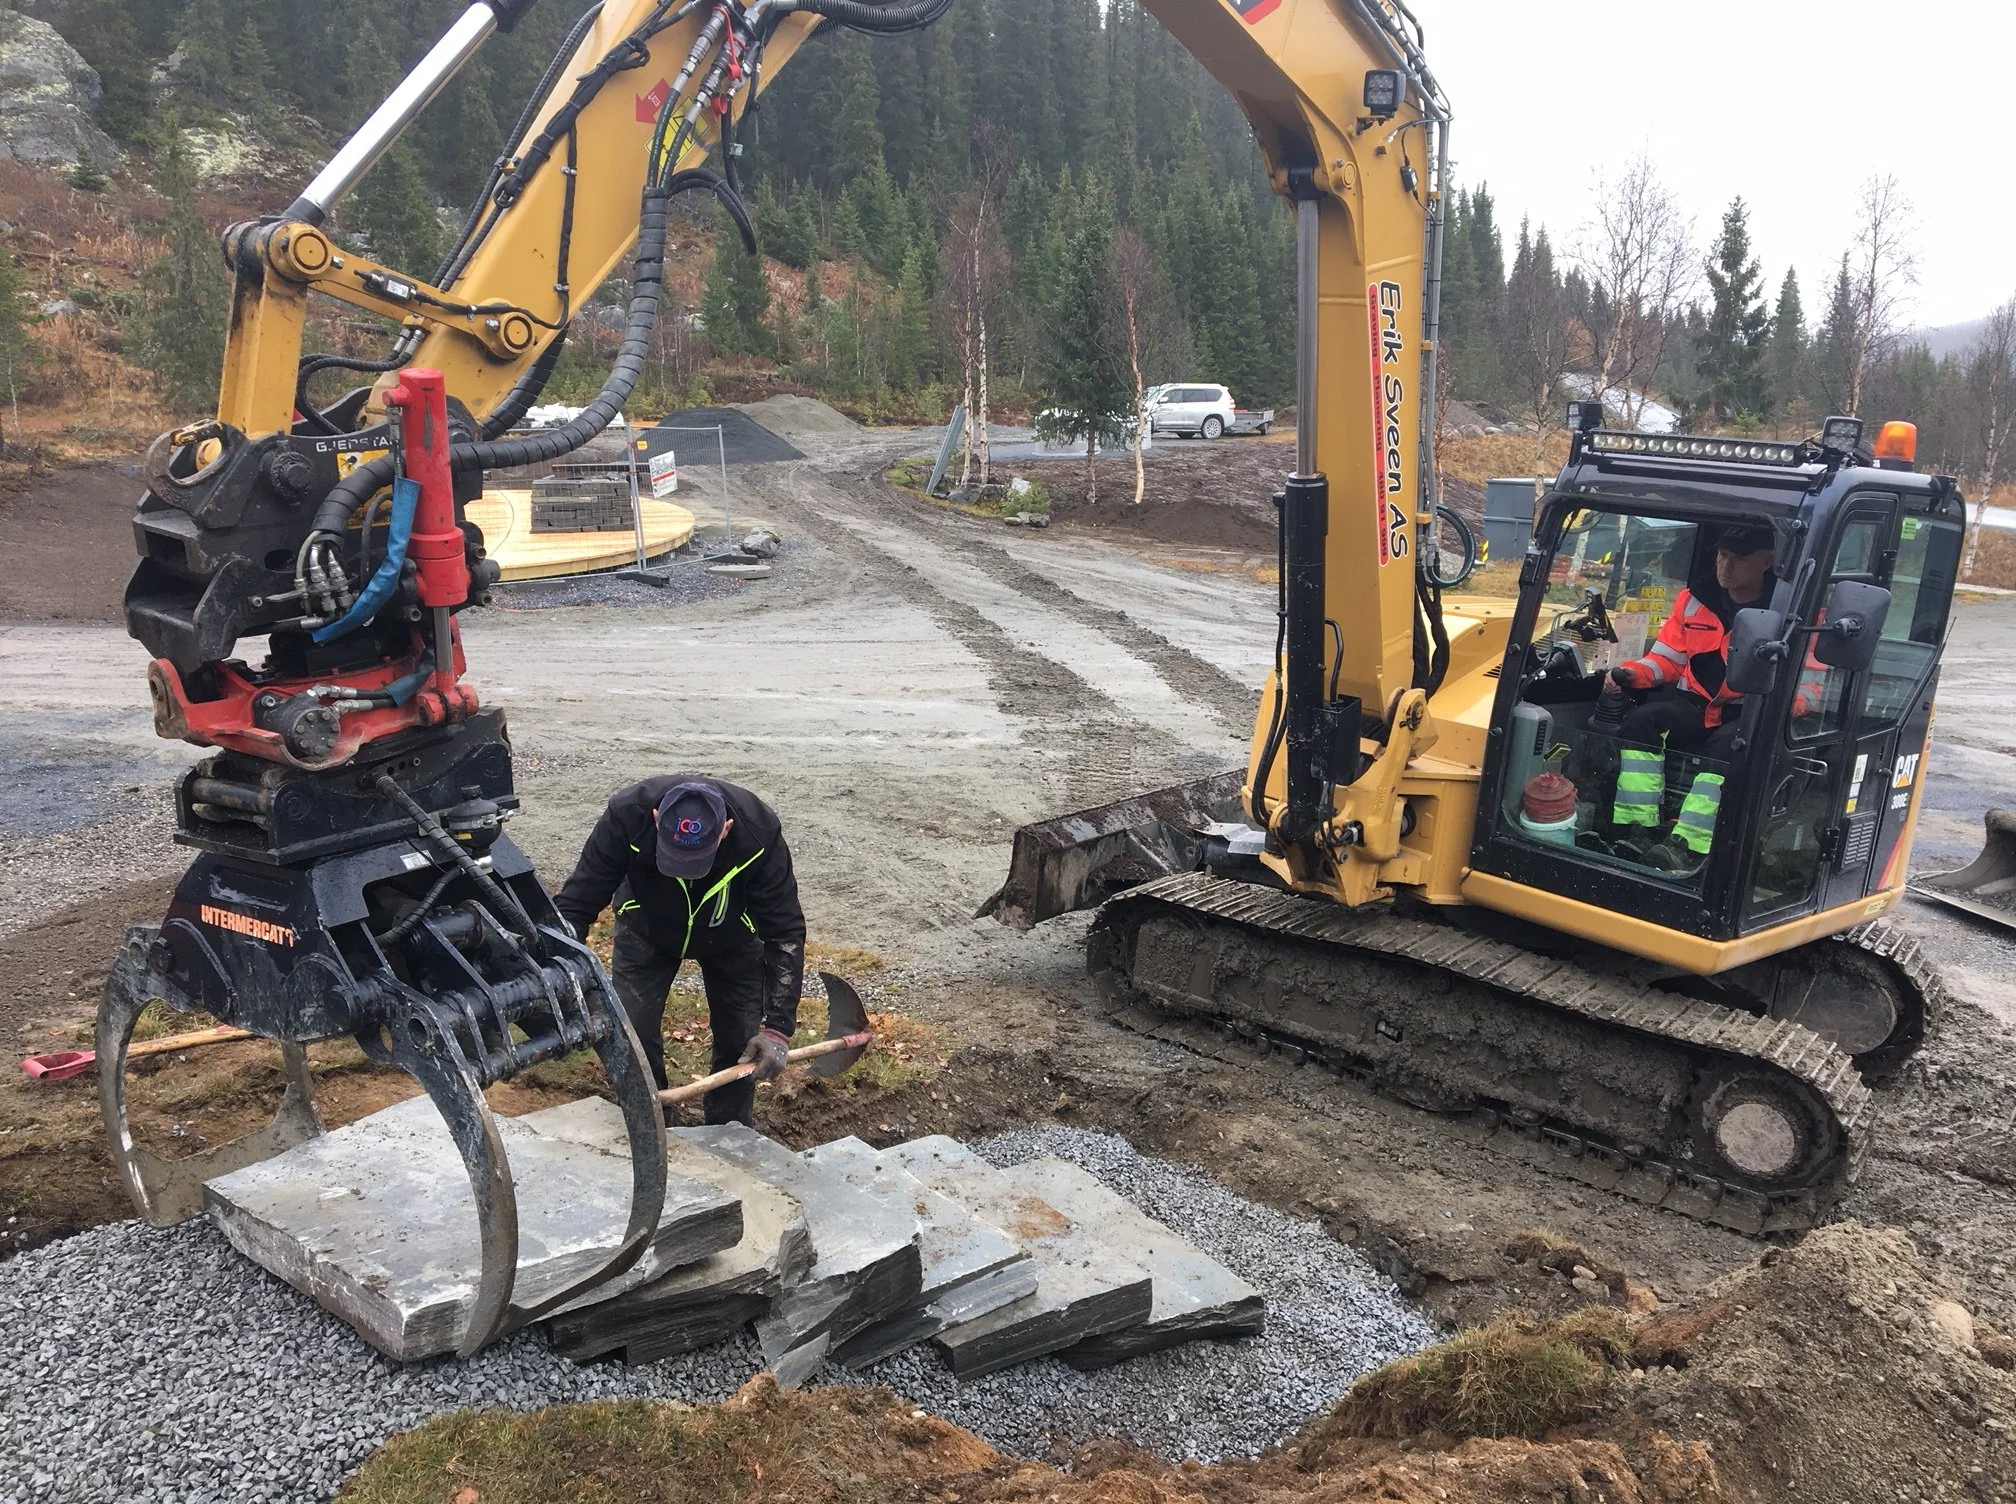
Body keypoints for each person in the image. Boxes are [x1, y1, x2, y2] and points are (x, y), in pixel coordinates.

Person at [555, 776, 806, 1126]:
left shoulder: (758, 832)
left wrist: (778, 1028)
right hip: (646, 927)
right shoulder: (627, 814)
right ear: (657, 819)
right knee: (633, 1036)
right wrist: (556, 971)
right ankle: (651, 1124)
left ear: (726, 829)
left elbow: (785, 932)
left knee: (740, 1043)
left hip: (732, 935)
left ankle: (727, 1131)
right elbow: (577, 903)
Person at [1585, 525, 1794, 873]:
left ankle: (1686, 846)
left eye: (1738, 559)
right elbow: (1667, 660)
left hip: (1751, 711)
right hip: (1697, 706)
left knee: (1728, 749)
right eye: (1721, 556)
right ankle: (1640, 829)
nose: (1725, 567)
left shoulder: (1789, 609)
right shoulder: (1693, 599)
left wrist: (1783, 705)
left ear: (1766, 562)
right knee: (1641, 722)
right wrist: (1631, 673)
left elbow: (1810, 685)